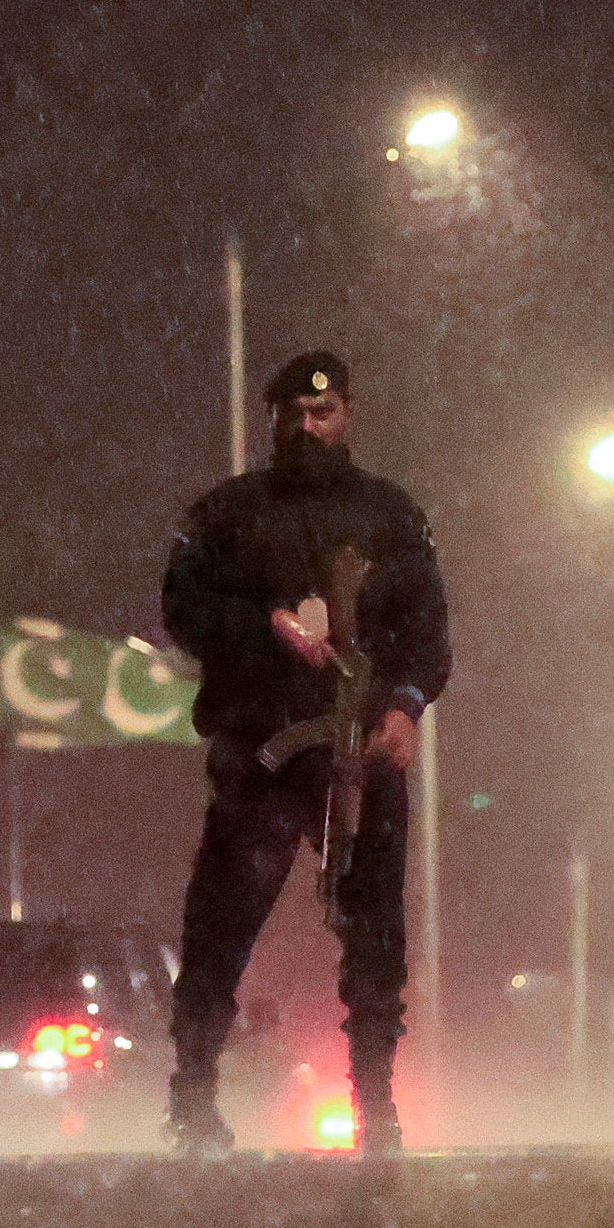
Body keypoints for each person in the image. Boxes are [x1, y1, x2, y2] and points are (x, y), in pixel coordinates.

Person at [161, 348, 450, 1154]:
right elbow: (182, 607)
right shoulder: (227, 513)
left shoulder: (391, 515)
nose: (306, 428)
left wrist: (405, 706)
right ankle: (192, 1094)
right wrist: (266, 626)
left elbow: (427, 631)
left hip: (360, 751)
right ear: (273, 420)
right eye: (292, 415)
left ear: (346, 414)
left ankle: (377, 1104)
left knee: (375, 935)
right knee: (223, 923)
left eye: (321, 414)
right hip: (263, 748)